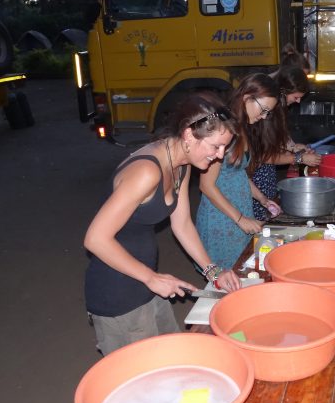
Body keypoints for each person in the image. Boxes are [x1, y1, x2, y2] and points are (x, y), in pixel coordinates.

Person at [83, 93, 242, 356]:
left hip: (147, 283)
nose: (220, 155)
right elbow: (95, 239)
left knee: (173, 359)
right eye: (215, 146)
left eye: (225, 147)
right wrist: (151, 277)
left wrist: (213, 272)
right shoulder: (147, 171)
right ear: (190, 135)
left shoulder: (182, 164)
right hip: (119, 293)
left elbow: (182, 226)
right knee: (143, 379)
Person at [196, 73, 284, 268]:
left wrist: (261, 198)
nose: (264, 117)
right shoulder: (222, 128)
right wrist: (239, 218)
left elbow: (238, 173)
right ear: (247, 98)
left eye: (268, 113)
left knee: (239, 269)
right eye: (264, 110)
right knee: (223, 275)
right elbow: (206, 186)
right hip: (221, 216)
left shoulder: (242, 127)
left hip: (238, 210)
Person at [251, 65, 321, 220]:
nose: (298, 101)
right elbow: (263, 155)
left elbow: (277, 134)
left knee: (267, 214)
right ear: (283, 91)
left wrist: (293, 147)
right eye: (295, 97)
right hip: (255, 177)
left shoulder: (277, 107)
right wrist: (299, 158)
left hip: (265, 174)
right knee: (257, 219)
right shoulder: (267, 112)